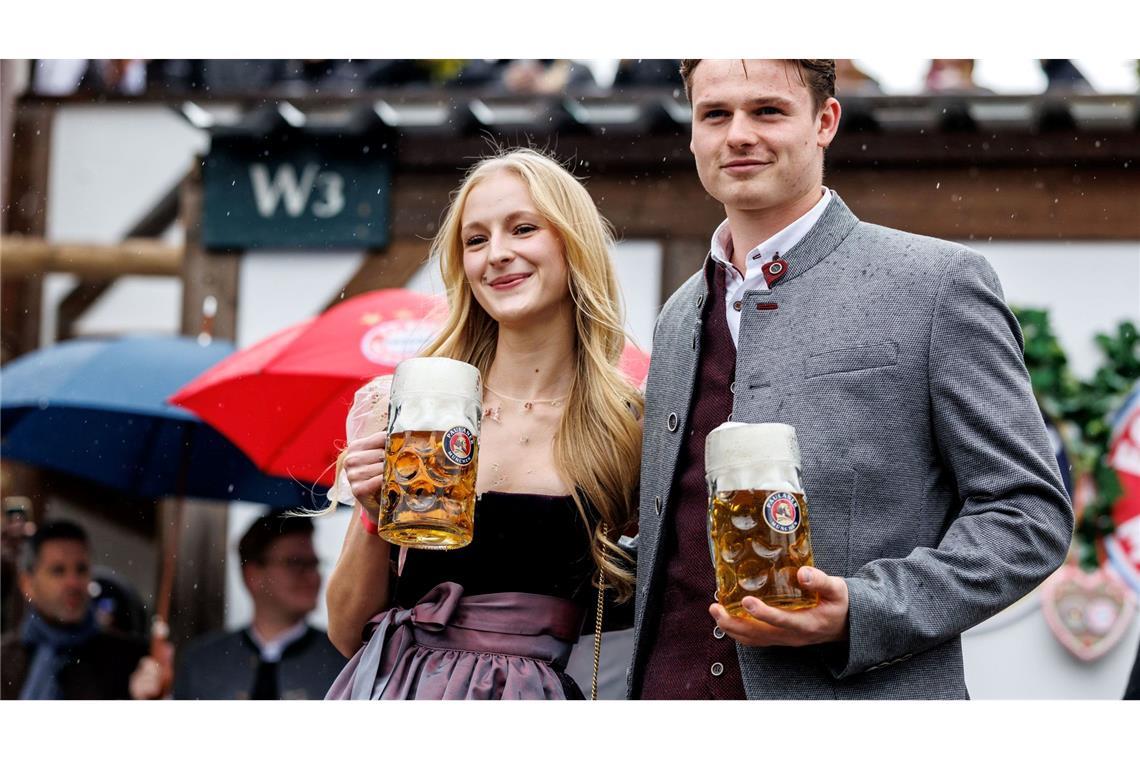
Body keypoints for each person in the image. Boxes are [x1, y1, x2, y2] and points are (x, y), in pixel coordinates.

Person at [627, 59, 1074, 699]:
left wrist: (863, 610)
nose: (739, 134)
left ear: (825, 121)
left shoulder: (935, 284)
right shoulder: (678, 314)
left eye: (769, 111)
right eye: (715, 114)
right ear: (694, 133)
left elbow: (1027, 515)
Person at [324, 147, 642, 700]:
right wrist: (375, 519)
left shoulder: (624, 428)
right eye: (476, 239)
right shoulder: (404, 407)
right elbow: (349, 633)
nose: (497, 254)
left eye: (522, 229)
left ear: (574, 244)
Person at [132, 515, 345, 699]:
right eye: (295, 563)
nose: (312, 576)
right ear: (253, 575)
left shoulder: (342, 662)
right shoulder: (203, 661)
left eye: (314, 564)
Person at [1, 519, 148, 699]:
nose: (73, 583)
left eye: (81, 570)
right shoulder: (5, 659)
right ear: (27, 584)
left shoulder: (127, 660)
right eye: (58, 571)